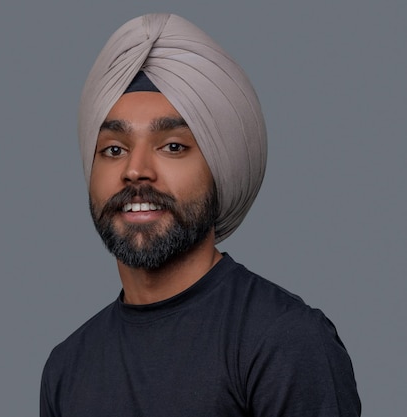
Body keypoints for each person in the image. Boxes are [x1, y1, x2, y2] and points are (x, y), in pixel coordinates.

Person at [40, 13, 360, 417]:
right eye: (114, 149)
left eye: (172, 146)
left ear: (220, 169)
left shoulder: (284, 341)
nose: (135, 169)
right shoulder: (67, 368)